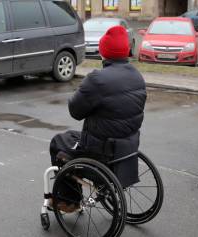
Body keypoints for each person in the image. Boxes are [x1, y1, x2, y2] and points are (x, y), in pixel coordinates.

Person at [49, 25, 147, 212]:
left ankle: (70, 201)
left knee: (58, 142)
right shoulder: (137, 76)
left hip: (100, 152)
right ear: (125, 51)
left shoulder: (97, 80)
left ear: (104, 53)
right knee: (74, 136)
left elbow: (75, 111)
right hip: (127, 147)